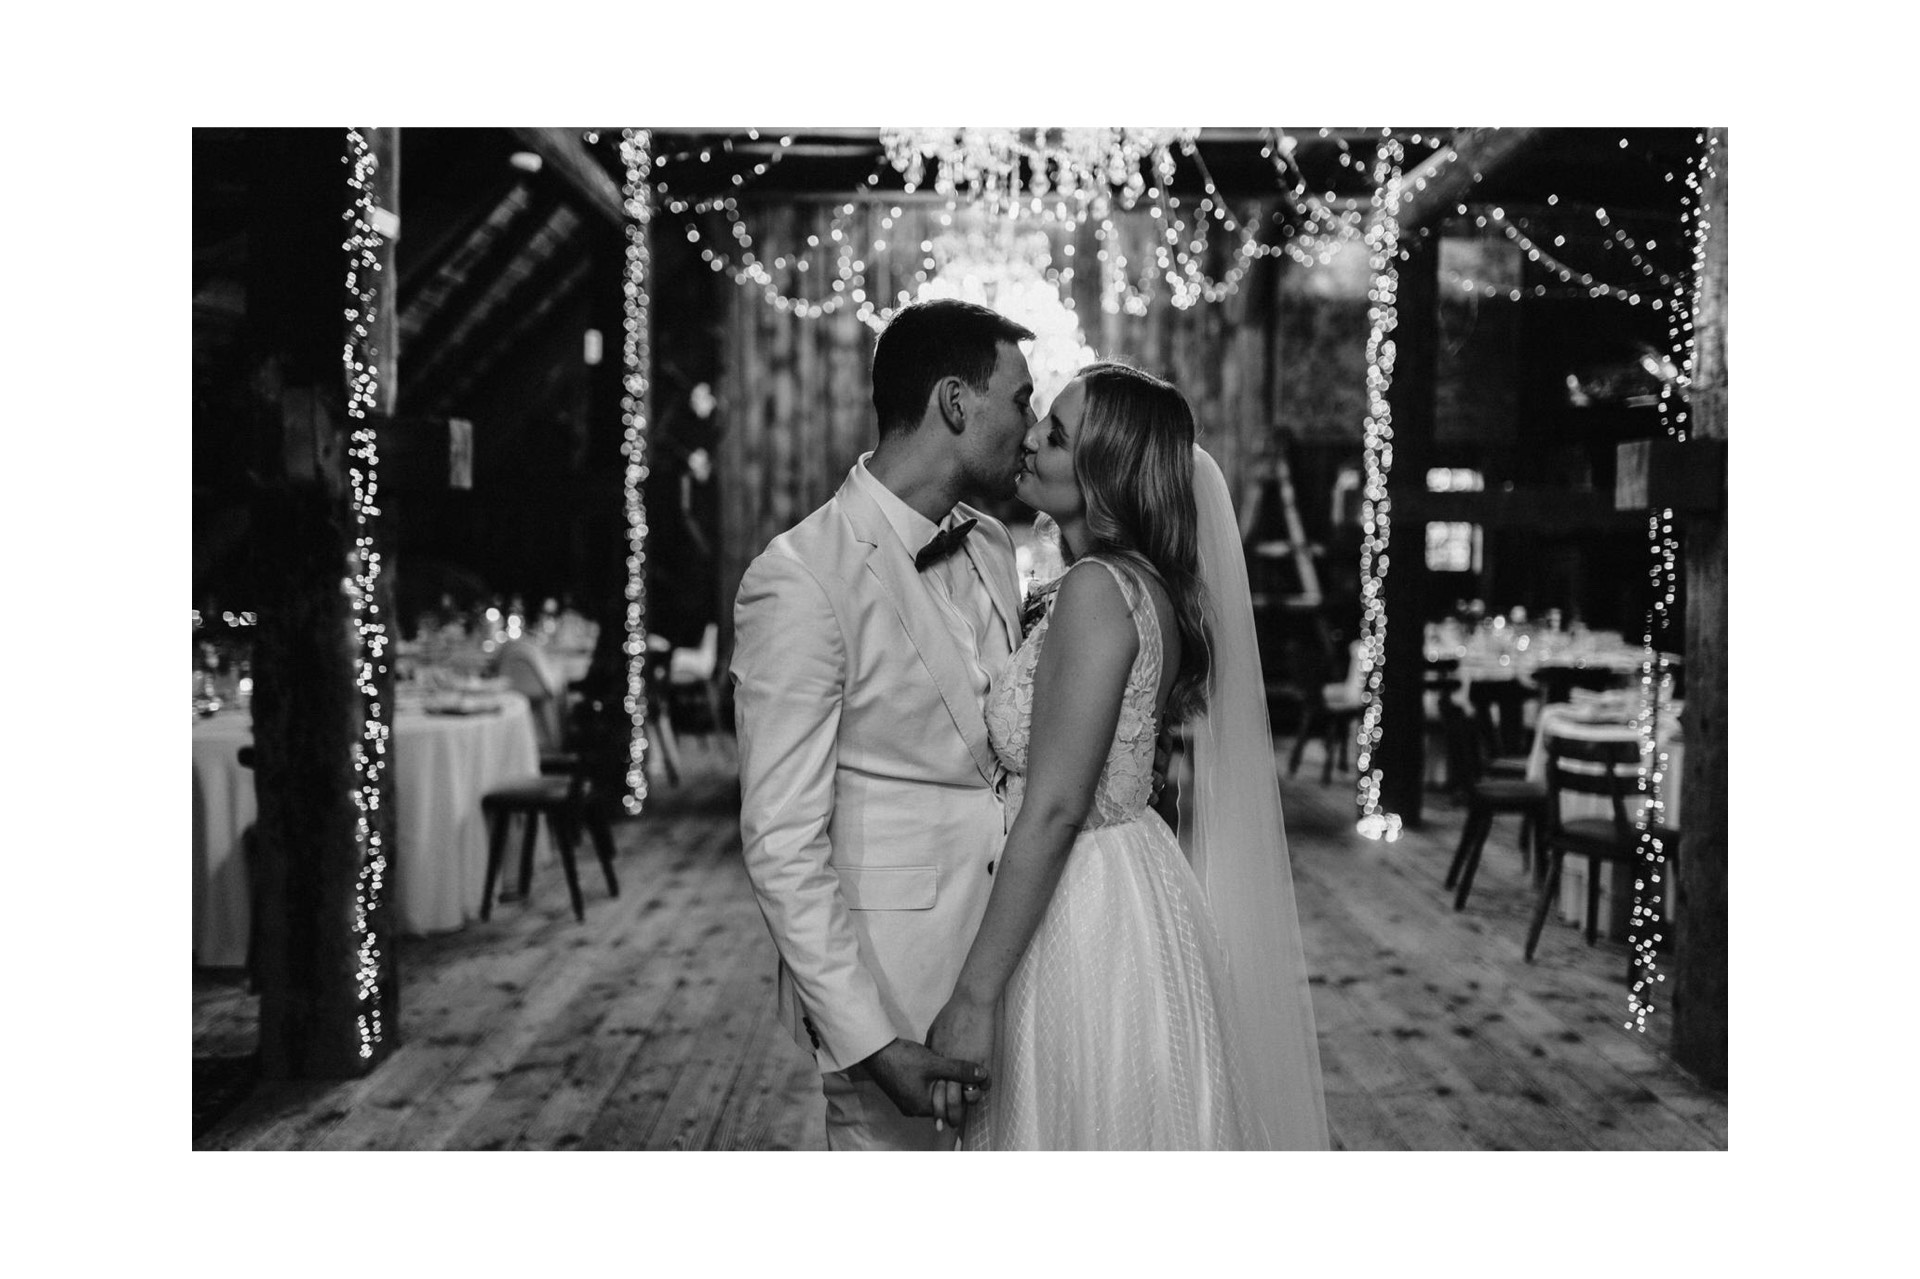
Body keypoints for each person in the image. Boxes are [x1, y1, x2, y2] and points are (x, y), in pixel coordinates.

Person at [926, 361, 1329, 1150]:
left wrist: (974, 994)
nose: (1030, 439)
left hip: (1081, 907)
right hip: (1137, 883)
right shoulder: (1139, 587)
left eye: (1055, 435)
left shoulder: (1097, 590)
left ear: (1104, 473)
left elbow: (1055, 806)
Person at [730, 299, 1038, 1150]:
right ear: (955, 402)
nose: (1032, 426)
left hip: (1019, 964)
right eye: (1021, 400)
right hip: (898, 990)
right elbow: (781, 839)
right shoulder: (800, 576)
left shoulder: (989, 543)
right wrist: (869, 1041)